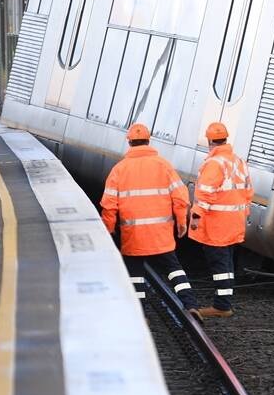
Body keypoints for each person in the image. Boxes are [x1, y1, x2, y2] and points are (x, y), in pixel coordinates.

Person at [101, 123, 200, 317]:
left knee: (135, 273)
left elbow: (109, 205)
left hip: (134, 235)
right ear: (149, 141)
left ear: (129, 142)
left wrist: (109, 229)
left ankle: (140, 314)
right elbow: (181, 197)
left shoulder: (119, 170)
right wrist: (181, 222)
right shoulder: (164, 166)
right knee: (174, 269)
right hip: (160, 233)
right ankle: (190, 305)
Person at [189, 122, 253, 319]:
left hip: (217, 225)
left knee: (220, 265)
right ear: (226, 139)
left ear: (210, 141)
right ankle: (224, 302)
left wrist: (195, 219)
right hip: (234, 222)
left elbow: (205, 194)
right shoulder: (239, 161)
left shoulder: (214, 163)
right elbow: (248, 192)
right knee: (226, 264)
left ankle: (222, 306)